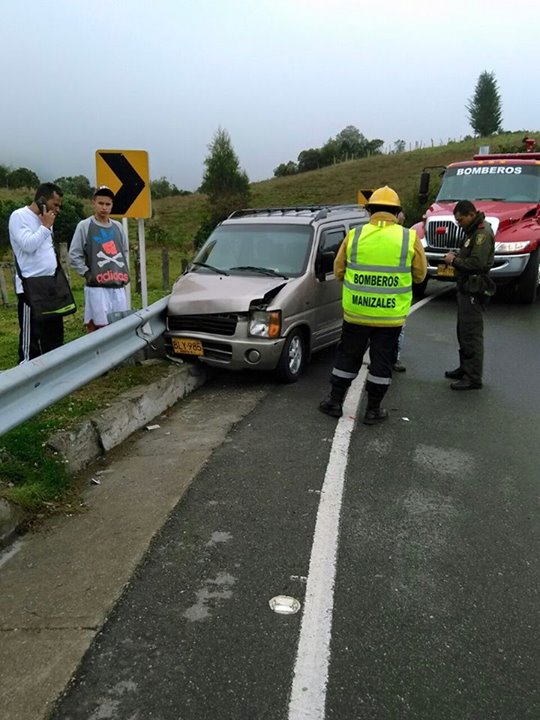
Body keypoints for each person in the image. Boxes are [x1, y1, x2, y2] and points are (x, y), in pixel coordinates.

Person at [319, 186, 427, 425]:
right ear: (397, 212)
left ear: (369, 211)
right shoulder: (409, 237)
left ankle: (335, 402)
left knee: (347, 357)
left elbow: (338, 271)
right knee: (382, 362)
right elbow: (420, 275)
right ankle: (373, 410)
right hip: (390, 318)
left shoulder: (355, 235)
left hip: (356, 314)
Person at [8, 182, 65, 362]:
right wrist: (45, 227)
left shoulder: (46, 219)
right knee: (32, 336)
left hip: (50, 285)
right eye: (55, 204)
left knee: (54, 333)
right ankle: (26, 372)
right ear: (42, 200)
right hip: (30, 287)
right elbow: (28, 245)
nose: (57, 209)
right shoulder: (19, 216)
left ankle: (53, 370)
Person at [443, 199, 495, 390]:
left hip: (474, 287)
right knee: (463, 330)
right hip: (465, 287)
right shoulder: (472, 232)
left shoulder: (481, 234)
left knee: (471, 333)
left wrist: (454, 260)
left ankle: (473, 377)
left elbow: (477, 264)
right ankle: (465, 368)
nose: (459, 223)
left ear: (471, 215)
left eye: (461, 219)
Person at [69, 186, 130, 332]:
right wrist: (86, 273)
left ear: (112, 205)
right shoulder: (84, 226)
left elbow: (124, 251)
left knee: (119, 326)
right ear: (94, 203)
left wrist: (123, 271)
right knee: (96, 326)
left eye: (107, 204)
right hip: (97, 287)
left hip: (117, 286)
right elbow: (74, 254)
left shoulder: (118, 227)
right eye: (100, 203)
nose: (104, 207)